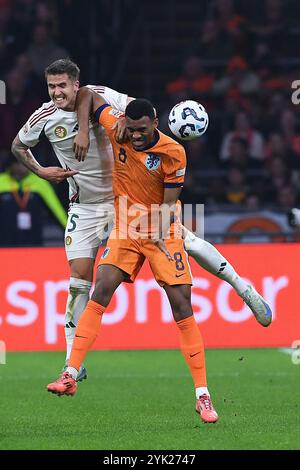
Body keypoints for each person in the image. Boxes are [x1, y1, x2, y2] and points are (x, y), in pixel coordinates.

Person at [47, 94, 219, 423]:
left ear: (155, 124)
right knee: (101, 290)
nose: (136, 136)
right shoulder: (117, 124)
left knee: (182, 304)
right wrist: (84, 130)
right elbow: (86, 95)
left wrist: (157, 230)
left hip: (161, 230)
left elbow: (170, 205)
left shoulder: (173, 152)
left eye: (142, 130)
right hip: (126, 226)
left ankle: (202, 395)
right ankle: (70, 374)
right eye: (132, 128)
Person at [11, 59, 133, 381]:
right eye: (51, 86)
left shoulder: (103, 95)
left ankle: (237, 284)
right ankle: (72, 362)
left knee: (172, 247)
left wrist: (125, 121)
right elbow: (18, 145)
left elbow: (138, 108)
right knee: (79, 282)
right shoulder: (45, 117)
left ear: (76, 84)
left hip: (124, 203)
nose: (56, 93)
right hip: (85, 208)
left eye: (62, 85)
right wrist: (41, 170)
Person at [0, 159, 67, 246]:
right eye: (19, 163)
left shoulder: (39, 181)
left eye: (25, 164)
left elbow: (56, 209)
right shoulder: (1, 181)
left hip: (33, 237)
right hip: (5, 238)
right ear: (11, 165)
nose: (22, 167)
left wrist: (68, 229)